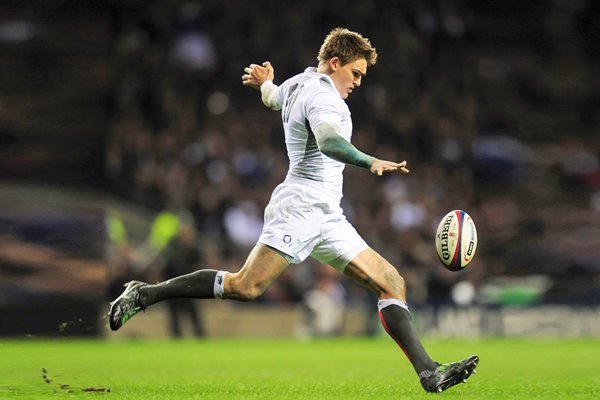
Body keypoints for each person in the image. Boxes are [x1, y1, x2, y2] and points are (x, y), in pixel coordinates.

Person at [109, 27, 478, 393]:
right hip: (300, 207)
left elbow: (274, 98)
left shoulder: (300, 82)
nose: (358, 82)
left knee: (391, 281)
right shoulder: (325, 98)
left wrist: (266, 84)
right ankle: (144, 293)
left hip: (328, 214)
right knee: (245, 286)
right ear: (335, 62)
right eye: (355, 73)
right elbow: (330, 142)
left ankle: (430, 372)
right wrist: (370, 162)